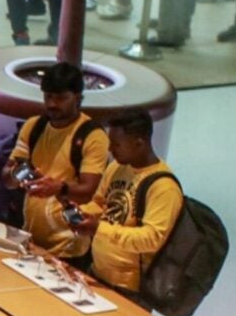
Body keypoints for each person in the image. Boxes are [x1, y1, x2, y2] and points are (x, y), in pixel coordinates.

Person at [71, 110, 182, 296]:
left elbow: (151, 239)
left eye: (116, 144)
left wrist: (99, 229)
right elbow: (100, 203)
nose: (110, 149)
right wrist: (81, 212)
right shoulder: (117, 167)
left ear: (139, 143)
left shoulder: (164, 187)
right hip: (97, 272)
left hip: (130, 289)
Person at [6, 60, 107, 258]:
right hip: (30, 240)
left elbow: (88, 192)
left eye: (61, 98)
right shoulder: (33, 126)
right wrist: (23, 173)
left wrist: (58, 188)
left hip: (69, 248)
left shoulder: (93, 136)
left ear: (77, 98)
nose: (52, 104)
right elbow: (7, 180)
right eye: (48, 96)